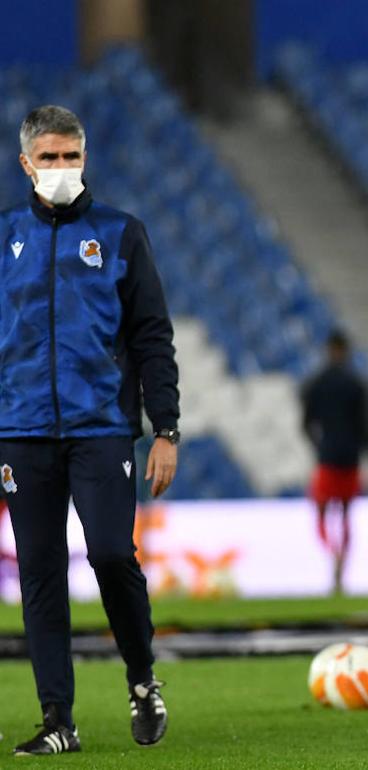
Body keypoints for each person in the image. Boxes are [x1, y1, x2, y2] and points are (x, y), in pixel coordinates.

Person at [0, 105, 179, 755]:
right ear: (25, 163)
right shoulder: (3, 239)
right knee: (41, 574)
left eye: (70, 157)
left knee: (109, 553)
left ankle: (141, 678)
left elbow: (153, 337)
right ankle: (58, 721)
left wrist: (167, 428)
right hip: (20, 432)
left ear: (85, 158)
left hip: (102, 428)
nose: (60, 169)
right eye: (48, 158)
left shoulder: (121, 234)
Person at [301, 329, 368, 595]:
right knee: (345, 515)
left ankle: (331, 552)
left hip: (327, 459)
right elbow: (366, 427)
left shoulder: (316, 383)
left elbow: (306, 424)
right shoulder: (357, 384)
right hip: (350, 461)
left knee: (320, 512)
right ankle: (341, 559)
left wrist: (319, 446)